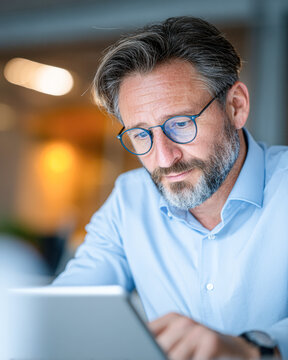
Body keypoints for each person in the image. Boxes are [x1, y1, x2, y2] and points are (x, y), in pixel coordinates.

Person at [53, 17, 288, 359]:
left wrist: (252, 348)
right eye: (141, 134)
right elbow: (67, 312)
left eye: (181, 123)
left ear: (236, 106)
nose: (164, 158)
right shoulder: (129, 199)